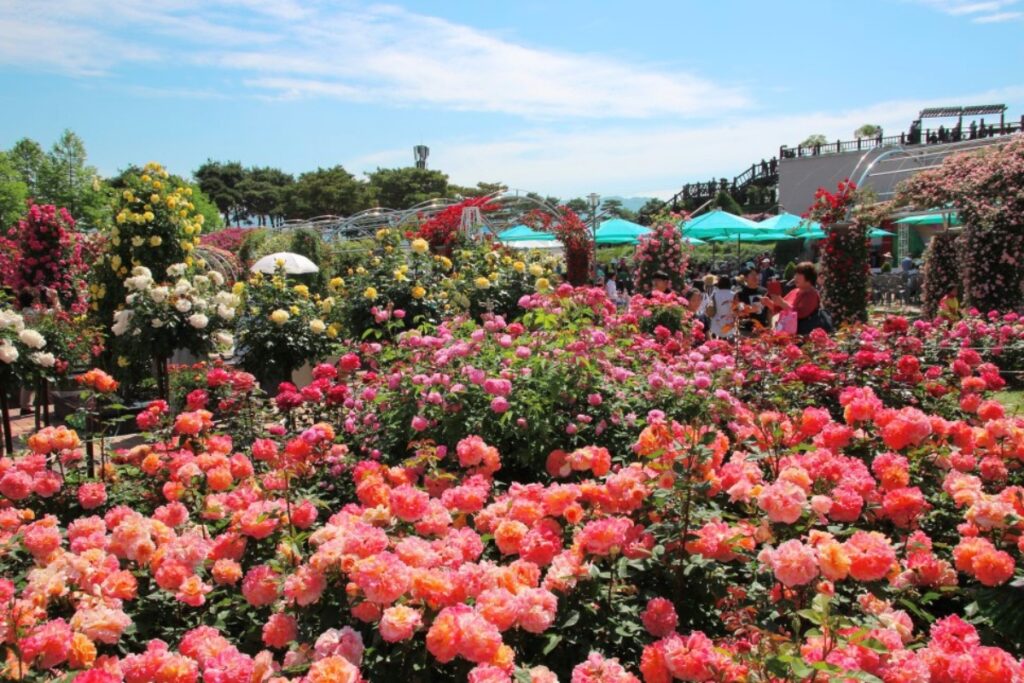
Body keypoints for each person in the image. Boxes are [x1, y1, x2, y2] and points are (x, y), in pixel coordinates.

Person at [770, 262, 827, 336]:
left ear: (809, 277)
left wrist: (782, 303)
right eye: (795, 274)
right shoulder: (795, 291)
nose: (795, 277)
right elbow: (780, 309)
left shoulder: (811, 294)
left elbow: (800, 314)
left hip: (803, 337)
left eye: (799, 274)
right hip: (787, 333)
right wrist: (769, 302)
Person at [734, 267, 770, 335]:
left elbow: (768, 311)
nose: (755, 277)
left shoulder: (764, 291)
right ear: (745, 278)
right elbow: (735, 312)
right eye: (752, 275)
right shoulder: (740, 293)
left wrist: (770, 325)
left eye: (756, 274)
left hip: (762, 329)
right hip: (745, 330)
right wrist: (747, 310)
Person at [708, 275, 736, 339]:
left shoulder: (715, 294)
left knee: (717, 340)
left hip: (717, 319)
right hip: (730, 320)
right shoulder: (733, 294)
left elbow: (711, 305)